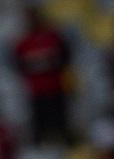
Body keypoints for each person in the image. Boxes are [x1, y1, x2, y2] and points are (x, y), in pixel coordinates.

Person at [13, 5, 71, 145]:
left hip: (55, 87)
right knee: (39, 125)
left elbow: (65, 56)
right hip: (36, 90)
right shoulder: (23, 43)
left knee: (59, 124)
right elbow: (18, 65)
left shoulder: (53, 38)